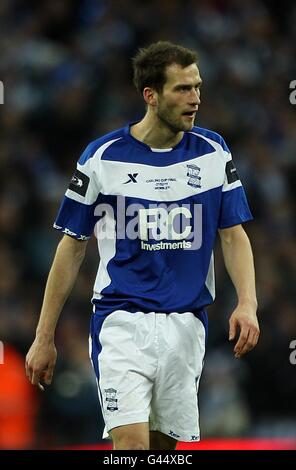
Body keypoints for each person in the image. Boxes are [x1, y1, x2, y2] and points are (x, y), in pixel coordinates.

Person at [25, 41, 260, 451]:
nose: (196, 99)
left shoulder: (212, 151)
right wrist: (44, 336)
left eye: (198, 87)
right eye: (182, 89)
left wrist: (247, 303)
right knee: (132, 449)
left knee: (162, 452)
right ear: (150, 95)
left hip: (186, 324)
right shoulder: (102, 157)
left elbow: (233, 234)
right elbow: (72, 246)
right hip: (121, 322)